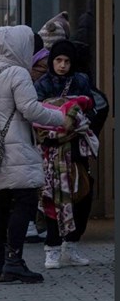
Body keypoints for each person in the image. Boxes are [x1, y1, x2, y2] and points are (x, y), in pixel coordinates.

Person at [0, 25, 66, 284]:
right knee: (25, 202)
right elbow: (30, 109)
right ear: (19, 46)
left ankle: (0, 265)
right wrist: (61, 117)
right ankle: (14, 261)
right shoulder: (18, 73)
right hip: (15, 149)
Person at [34, 39, 95, 270]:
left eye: (66, 61)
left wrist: (78, 111)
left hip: (76, 149)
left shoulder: (80, 81)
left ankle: (72, 245)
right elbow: (36, 114)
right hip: (51, 151)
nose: (62, 65)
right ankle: (51, 248)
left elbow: (92, 108)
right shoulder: (43, 83)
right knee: (52, 196)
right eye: (58, 60)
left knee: (80, 194)